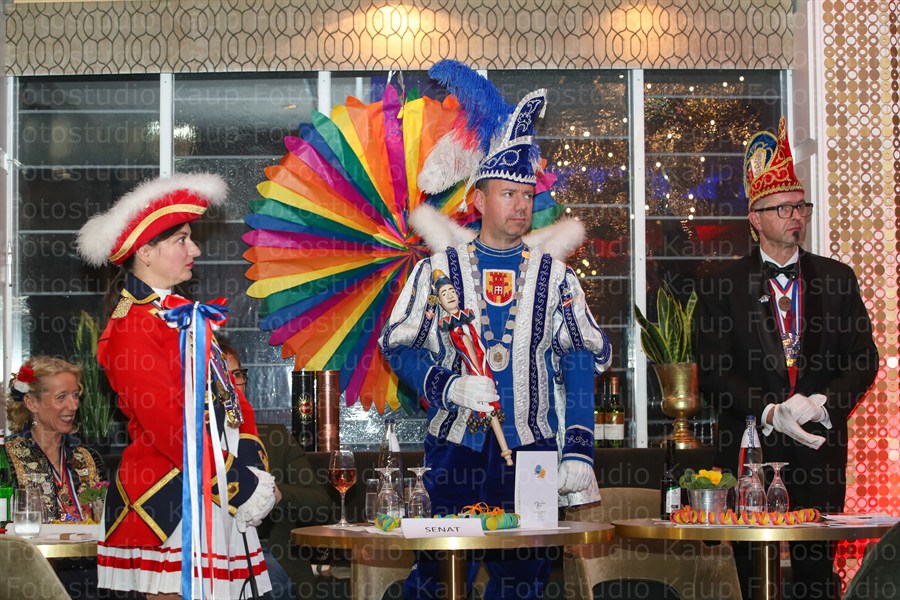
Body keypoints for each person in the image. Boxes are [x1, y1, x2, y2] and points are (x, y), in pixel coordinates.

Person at [379, 60, 611, 600]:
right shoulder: (437, 270)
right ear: (478, 200)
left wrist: (579, 447)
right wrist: (448, 385)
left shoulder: (557, 277)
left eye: (527, 195)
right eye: (508, 194)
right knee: (439, 580)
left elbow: (580, 356)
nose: (521, 205)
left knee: (524, 583)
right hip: (454, 451)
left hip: (532, 454)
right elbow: (400, 345)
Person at [695, 116, 879, 599]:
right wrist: (770, 410)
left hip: (818, 450)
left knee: (816, 575)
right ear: (755, 219)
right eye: (783, 208)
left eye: (801, 206)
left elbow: (864, 359)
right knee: (753, 576)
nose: (795, 216)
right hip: (750, 449)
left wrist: (822, 403)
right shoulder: (722, 285)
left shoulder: (837, 279)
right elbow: (713, 373)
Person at [76, 173, 277, 599]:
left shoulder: (187, 315)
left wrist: (254, 470)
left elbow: (233, 402)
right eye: (181, 240)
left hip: (217, 488)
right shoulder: (131, 327)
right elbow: (170, 427)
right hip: (170, 500)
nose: (195, 249)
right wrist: (240, 484)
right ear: (145, 252)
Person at [219, 341, 335, 600]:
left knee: (261, 584)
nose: (232, 384)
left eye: (236, 374)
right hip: (211, 554)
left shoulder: (275, 438)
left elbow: (321, 506)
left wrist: (277, 494)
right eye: (221, 377)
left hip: (268, 553)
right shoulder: (189, 445)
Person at [6, 356, 107, 599]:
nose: (73, 406)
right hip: (31, 581)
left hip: (93, 576)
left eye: (75, 395)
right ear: (32, 403)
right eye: (61, 397)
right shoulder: (7, 459)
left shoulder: (88, 457)